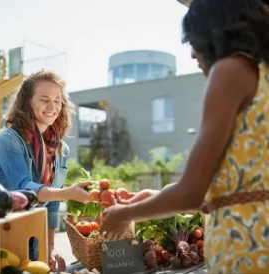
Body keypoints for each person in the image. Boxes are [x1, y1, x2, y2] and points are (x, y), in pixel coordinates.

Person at [100, 0, 269, 273]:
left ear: (215, 34)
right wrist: (153, 196)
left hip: (246, 250)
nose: (192, 54)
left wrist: (125, 213)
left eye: (194, 40)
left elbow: (192, 192)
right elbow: (238, 186)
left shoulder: (230, 71)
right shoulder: (262, 74)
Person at [0, 69, 93, 272]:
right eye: (44, 99)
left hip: (34, 241)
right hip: (5, 237)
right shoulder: (9, 139)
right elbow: (25, 190)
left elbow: (52, 205)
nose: (52, 107)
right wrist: (70, 192)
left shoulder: (60, 149)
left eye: (57, 100)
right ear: (27, 102)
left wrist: (49, 246)